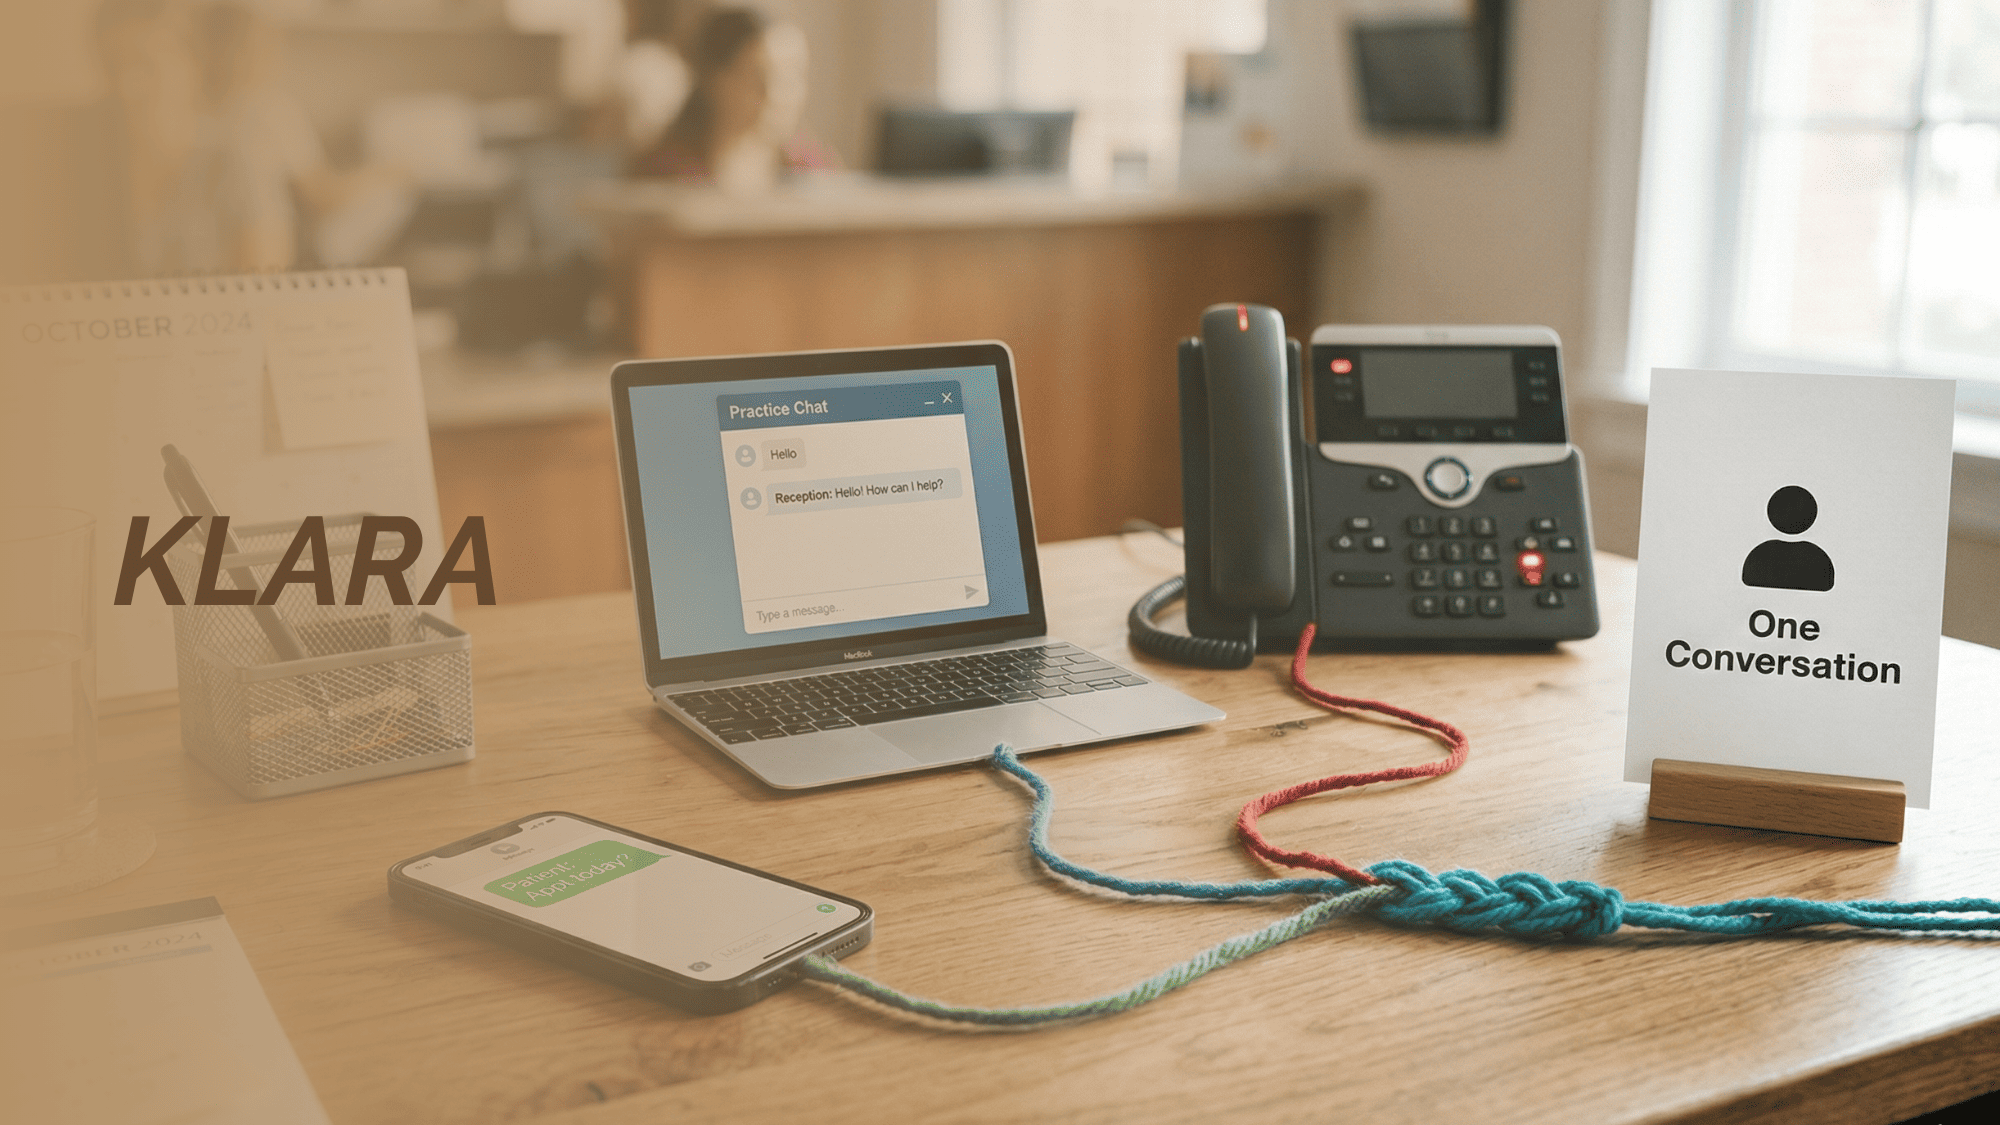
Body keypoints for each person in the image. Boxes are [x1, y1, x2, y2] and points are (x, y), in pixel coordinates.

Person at [628, 6, 831, 191]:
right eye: (759, 78)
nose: (777, 95)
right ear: (715, 79)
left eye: (794, 77)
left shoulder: (810, 169)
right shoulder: (666, 171)